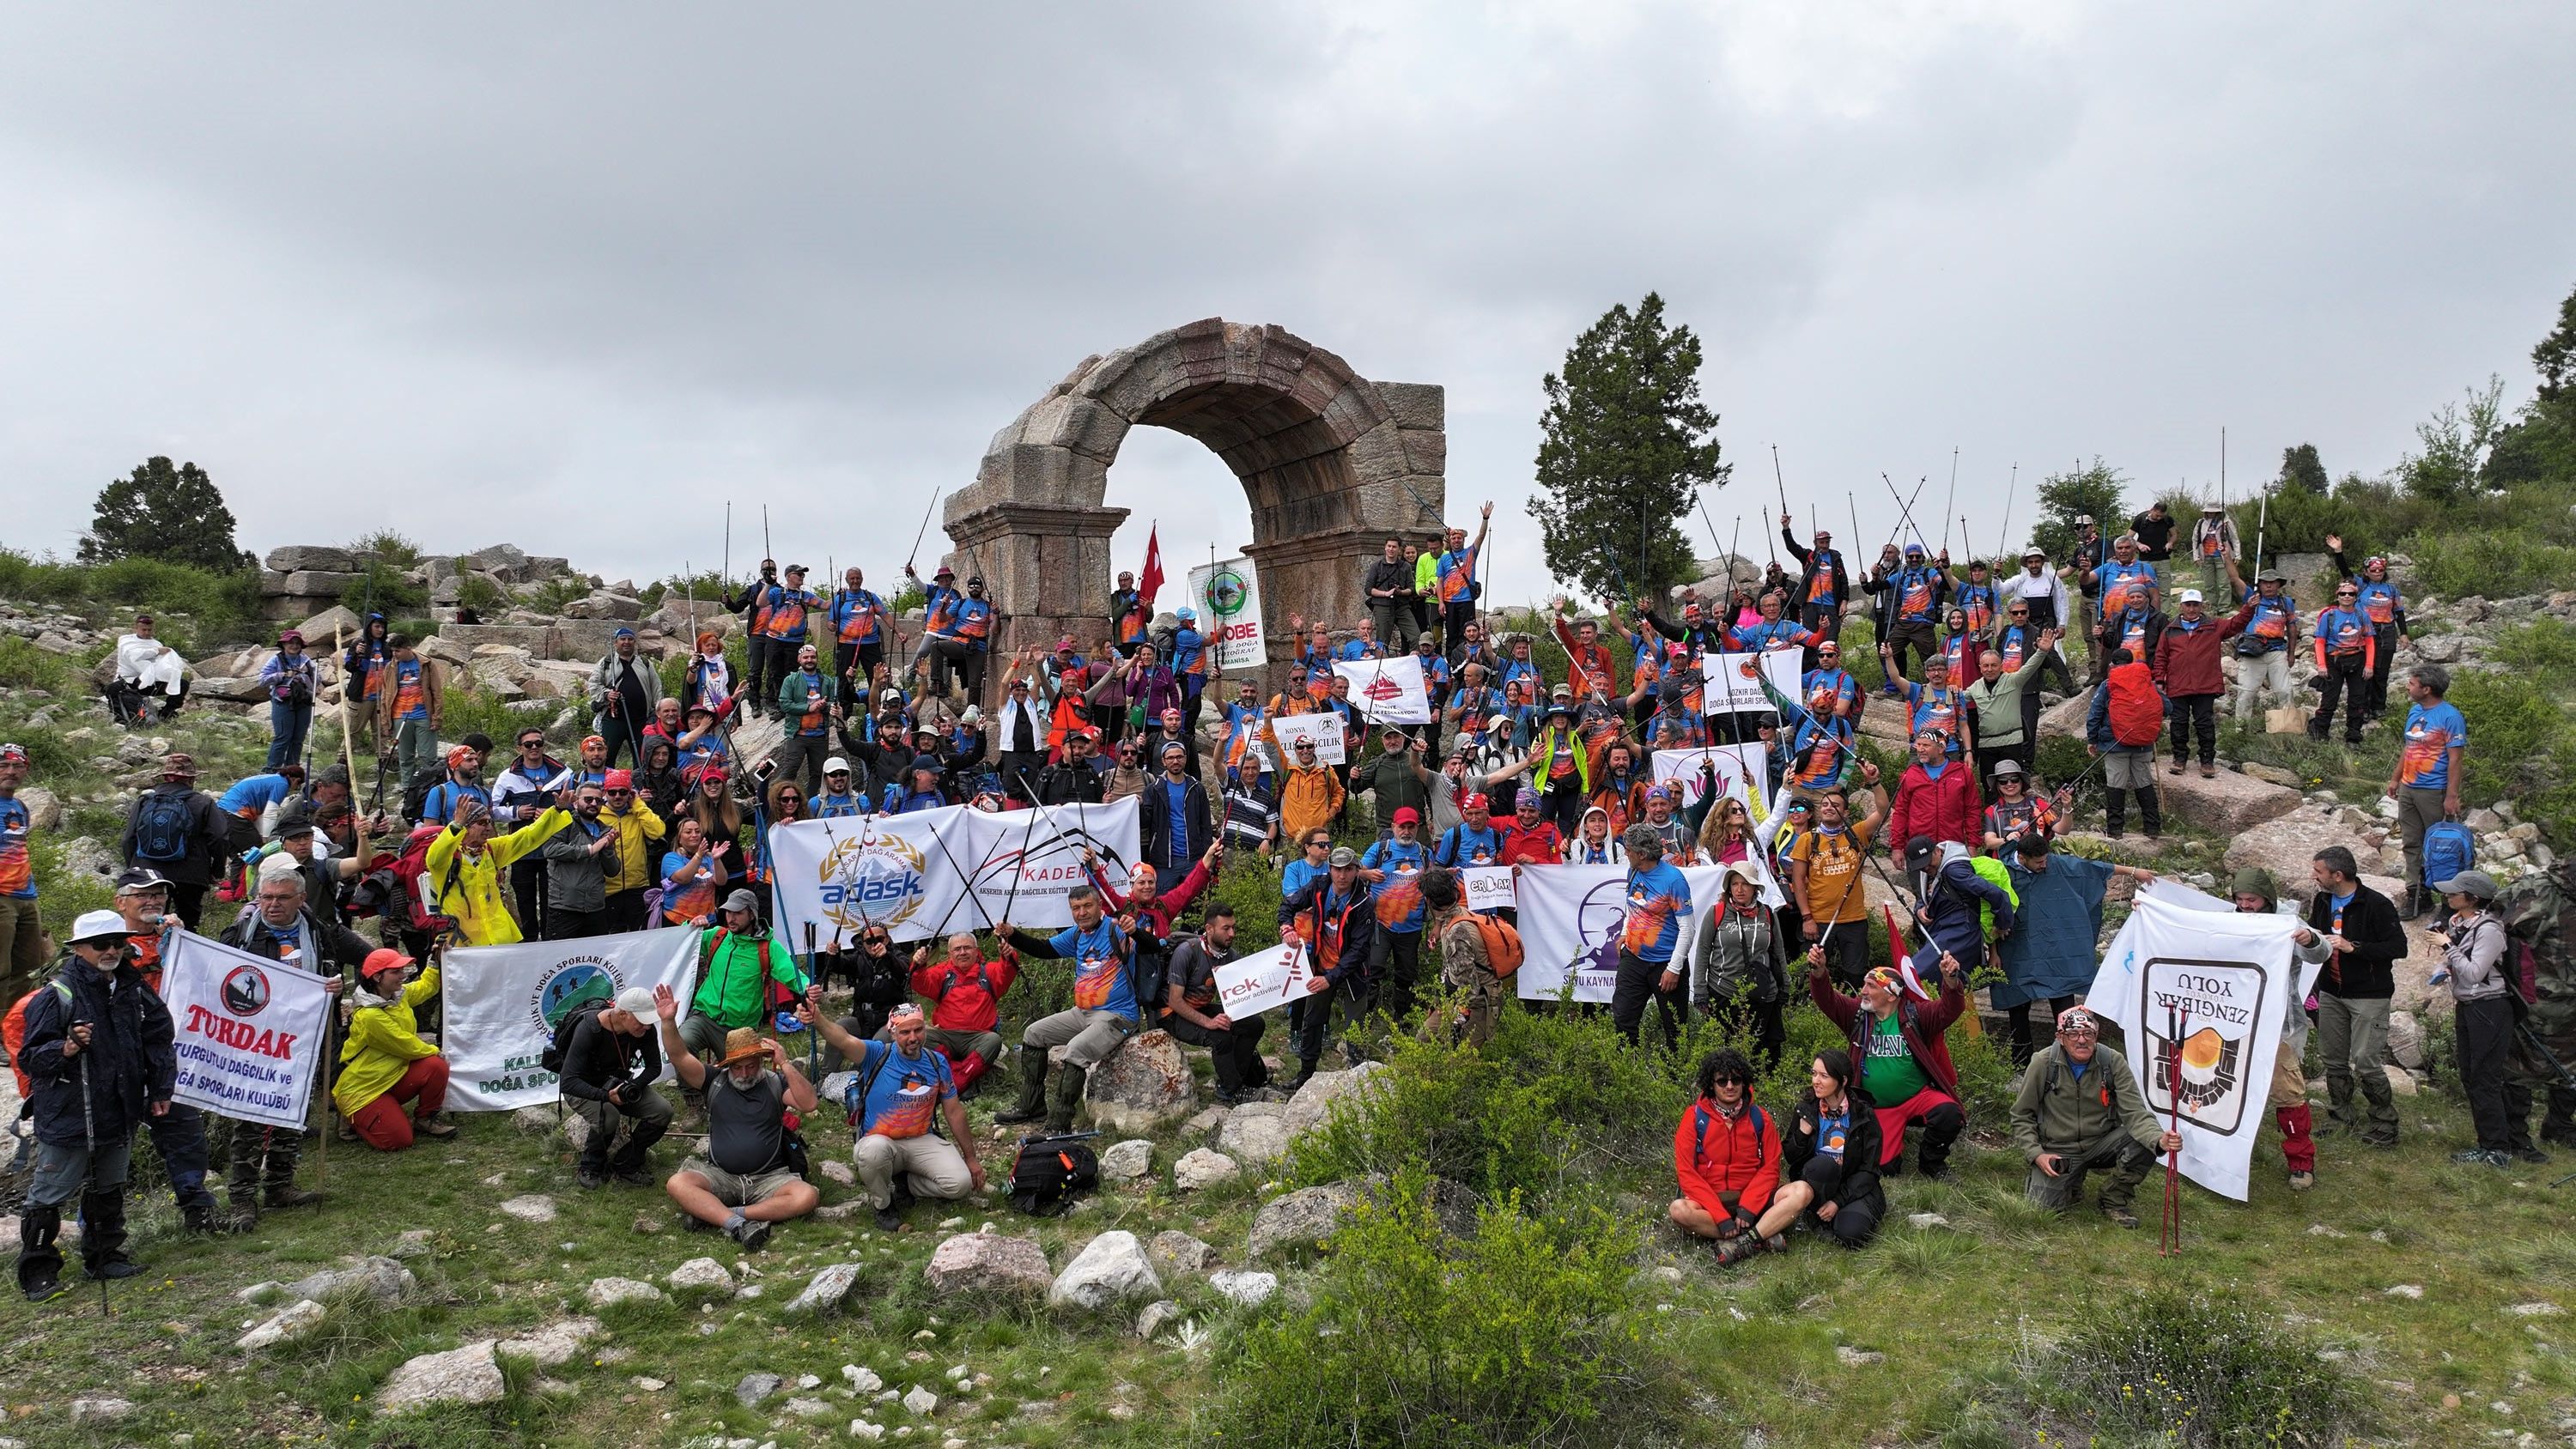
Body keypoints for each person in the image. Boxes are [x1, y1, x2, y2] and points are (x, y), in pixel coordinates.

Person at [11, 910, 174, 1301]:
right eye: (101, 944)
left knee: (109, 1186)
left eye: (118, 943)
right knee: (49, 1194)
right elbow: (31, 1057)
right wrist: (66, 1048)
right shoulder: (57, 994)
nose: (111, 951)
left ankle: (106, 1257)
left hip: (120, 1106)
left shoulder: (133, 987)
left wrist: (160, 1089)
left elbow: (158, 1038)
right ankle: (38, 1271)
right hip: (69, 1109)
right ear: (79, 949)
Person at [654, 987, 819, 1248]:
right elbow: (679, 1055)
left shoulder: (775, 1083)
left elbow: (809, 1103)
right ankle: (737, 1225)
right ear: (728, 1064)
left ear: (761, 1061)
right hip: (720, 1175)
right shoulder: (712, 1081)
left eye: (751, 1066)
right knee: (678, 1183)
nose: (744, 1073)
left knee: (806, 1196)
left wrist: (786, 1064)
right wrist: (667, 1021)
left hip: (769, 1178)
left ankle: (722, 1215)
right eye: (738, 1067)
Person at [2010, 1006, 2183, 1228]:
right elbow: (2021, 1114)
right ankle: (2072, 1181)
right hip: (2059, 1149)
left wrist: (2159, 1140)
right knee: (2041, 1208)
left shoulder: (2112, 1061)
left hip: (2102, 1144)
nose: (2081, 1040)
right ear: (2060, 1037)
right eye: (2073, 1034)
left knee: (2144, 1140)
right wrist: (2036, 1154)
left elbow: (2135, 1112)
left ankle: (2113, 1198)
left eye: (2088, 1033)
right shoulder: (2043, 1063)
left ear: (2096, 1035)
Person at [993, 886, 1145, 1131]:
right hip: (1081, 1013)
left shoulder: (1116, 929)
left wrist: (1135, 931)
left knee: (1076, 1049)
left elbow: (1149, 945)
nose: (1082, 912)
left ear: (1099, 906)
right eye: (1076, 908)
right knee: (1034, 1034)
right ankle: (1032, 1107)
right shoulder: (1077, 934)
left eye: (1087, 906)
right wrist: (1013, 935)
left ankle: (1059, 1123)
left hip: (1117, 1015)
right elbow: (1043, 949)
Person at [1808, 950, 1968, 1179]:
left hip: (1916, 1097)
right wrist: (1819, 972)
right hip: (1878, 1108)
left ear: (1892, 995)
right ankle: (1892, 1146)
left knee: (1949, 1112)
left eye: (1871, 986)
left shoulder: (1916, 1016)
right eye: (1865, 984)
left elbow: (1950, 1009)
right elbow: (1827, 999)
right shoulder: (1857, 1015)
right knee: (1885, 1169)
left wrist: (1951, 981)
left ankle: (1932, 1162)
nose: (1863, 991)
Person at [1997, 836, 2153, 1064]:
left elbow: (2091, 869)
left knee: (2065, 1003)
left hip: (2057, 951)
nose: (2045, 865)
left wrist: (2133, 872)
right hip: (2018, 949)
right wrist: (1994, 944)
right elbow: (1987, 907)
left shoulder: (2056, 864)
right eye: (2039, 862)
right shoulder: (2001, 872)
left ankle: (2071, 1062)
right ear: (2022, 858)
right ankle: (2021, 1063)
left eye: (2046, 859)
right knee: (2018, 1005)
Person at [2231, 867, 2329, 1191]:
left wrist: (2310, 939)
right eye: (2240, 899)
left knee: (2287, 1092)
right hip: (2231, 1021)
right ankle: (2222, 1156)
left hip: (2277, 1026)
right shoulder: (2227, 922)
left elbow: (2322, 951)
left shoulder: (2288, 924)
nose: (2245, 905)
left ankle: (2301, 1162)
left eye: (2252, 899)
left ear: (2267, 898)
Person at [1732, 1048, 1884, 1256]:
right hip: (1819, 1184)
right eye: (1814, 1074)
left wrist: (1837, 1202)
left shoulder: (1863, 1114)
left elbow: (1870, 1169)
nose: (1816, 1081)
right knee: (1823, 1165)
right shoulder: (1806, 1109)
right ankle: (1815, 1214)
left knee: (1852, 1235)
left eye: (1824, 1076)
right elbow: (1790, 1157)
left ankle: (1833, 1215)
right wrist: (1802, 1134)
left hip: (1853, 1188)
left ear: (1843, 1080)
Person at [2422, 869, 2524, 1167]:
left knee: (2484, 1078)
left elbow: (2475, 973)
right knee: (2471, 1076)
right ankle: (2490, 1144)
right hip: (2470, 1007)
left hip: (2489, 1009)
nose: (2448, 896)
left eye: (2454, 892)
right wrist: (2447, 966)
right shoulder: (2464, 924)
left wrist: (2447, 946)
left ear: (2473, 898)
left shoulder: (2489, 929)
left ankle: (2497, 1150)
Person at [2307, 846, 2405, 1148]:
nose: (2314, 876)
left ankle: (2384, 1123)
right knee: (2333, 1057)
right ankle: (2341, 1116)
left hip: (2369, 995)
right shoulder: (2323, 900)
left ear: (2338, 875)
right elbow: (2317, 936)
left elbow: (2398, 947)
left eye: (2318, 871)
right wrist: (2309, 939)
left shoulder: (2376, 904)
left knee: (2366, 1060)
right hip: (2331, 991)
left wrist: (2354, 948)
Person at [1278, 846, 1380, 1083]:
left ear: (1357, 871)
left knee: (1355, 1028)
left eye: (1348, 870)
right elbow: (1288, 905)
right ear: (1330, 869)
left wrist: (1330, 979)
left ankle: (1358, 1079)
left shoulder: (1364, 903)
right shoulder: (1318, 886)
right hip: (1322, 966)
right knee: (1312, 1021)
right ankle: (1306, 1075)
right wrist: (1287, 927)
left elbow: (1359, 951)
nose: (1342, 875)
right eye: (1337, 869)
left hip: (1352, 973)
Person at [333, 949, 453, 1151]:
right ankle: (352, 1117)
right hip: (364, 1089)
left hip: (390, 1076)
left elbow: (426, 987)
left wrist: (434, 962)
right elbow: (405, 1044)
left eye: (402, 970)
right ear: (377, 977)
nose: (403, 975)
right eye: (396, 972)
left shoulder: (397, 995)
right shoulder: (370, 1016)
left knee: (436, 1065)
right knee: (399, 1141)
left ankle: (425, 1119)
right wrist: (435, 1049)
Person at [1668, 1046, 1782, 1258]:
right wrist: (1720, 1216)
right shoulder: (1694, 1118)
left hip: (1751, 1199)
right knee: (1678, 1210)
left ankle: (1738, 1239)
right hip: (1710, 1201)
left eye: (1736, 1080)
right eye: (1722, 1081)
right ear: (1712, 1084)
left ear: (1744, 1082)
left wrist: (1748, 1207)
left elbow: (1771, 1168)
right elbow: (1687, 1173)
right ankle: (1758, 1235)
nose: (1730, 1086)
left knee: (1801, 1192)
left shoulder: (1760, 1118)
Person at [555, 985, 671, 1188]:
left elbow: (654, 1067)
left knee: (662, 1111)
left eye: (649, 1021)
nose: (646, 1027)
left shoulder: (644, 1030)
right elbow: (568, 1081)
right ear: (623, 1014)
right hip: (582, 1087)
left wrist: (631, 1087)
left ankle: (627, 1162)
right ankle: (591, 1167)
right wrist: (606, 1096)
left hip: (616, 1084)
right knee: (609, 1116)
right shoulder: (589, 1029)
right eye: (641, 1021)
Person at [680, 888, 810, 1064]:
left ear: (752, 914)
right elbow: (682, 942)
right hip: (704, 1017)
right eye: (728, 912)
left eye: (738, 913)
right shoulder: (717, 936)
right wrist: (690, 926)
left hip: (739, 1029)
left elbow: (792, 974)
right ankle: (695, 1084)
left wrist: (807, 988)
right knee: (680, 1043)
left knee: (741, 1074)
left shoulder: (767, 947)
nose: (731, 918)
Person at [426, 794, 573, 947]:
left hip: (499, 940)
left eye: (490, 822)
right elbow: (434, 858)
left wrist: (557, 809)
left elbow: (528, 836)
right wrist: (456, 826)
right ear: (466, 827)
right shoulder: (449, 857)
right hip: (462, 943)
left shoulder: (490, 849)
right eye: (482, 823)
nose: (489, 828)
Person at [1163, 904, 1273, 1097]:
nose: (1232, 934)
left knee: (1254, 1024)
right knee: (1220, 1037)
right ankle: (1231, 1090)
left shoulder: (1230, 955)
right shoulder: (1187, 952)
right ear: (1209, 929)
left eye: (1233, 927)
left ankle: (1237, 1078)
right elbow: (1175, 1000)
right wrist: (1209, 1022)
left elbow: (1249, 986)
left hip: (1201, 1007)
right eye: (1226, 928)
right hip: (1172, 1014)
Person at [2387, 664, 2467, 920]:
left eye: (2412, 683)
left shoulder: (2450, 717)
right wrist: (2396, 778)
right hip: (2409, 787)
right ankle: (2417, 895)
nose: (2408, 687)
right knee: (2411, 842)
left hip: (2434, 790)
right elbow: (2409, 747)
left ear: (2427, 689)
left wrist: (2451, 796)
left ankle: (2449, 901)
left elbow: (2456, 759)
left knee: (2441, 847)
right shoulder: (2415, 711)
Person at [119, 753, 228, 931]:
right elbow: (220, 838)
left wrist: (135, 870)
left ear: (165, 777)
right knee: (188, 925)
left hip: (149, 876)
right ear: (191, 779)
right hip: (191, 875)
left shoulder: (145, 802)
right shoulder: (203, 802)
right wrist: (217, 871)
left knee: (149, 924)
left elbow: (128, 839)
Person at [902, 932, 1017, 1098]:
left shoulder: (989, 972)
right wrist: (918, 965)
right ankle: (964, 1075)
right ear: (950, 953)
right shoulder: (942, 973)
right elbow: (921, 983)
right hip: (947, 1036)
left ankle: (956, 1082)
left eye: (967, 948)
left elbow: (1008, 970)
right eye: (957, 949)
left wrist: (1008, 955)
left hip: (979, 1037)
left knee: (994, 1041)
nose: (962, 952)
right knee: (919, 1037)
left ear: (976, 951)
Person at [1613, 824, 1694, 1050]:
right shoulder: (1633, 871)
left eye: (1629, 849)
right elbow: (1633, 903)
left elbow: (1688, 928)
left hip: (1665, 963)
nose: (1625, 853)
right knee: (1623, 1019)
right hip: (1634, 959)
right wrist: (1625, 932)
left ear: (1642, 854)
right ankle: (1627, 1065)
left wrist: (1674, 968)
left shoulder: (1674, 880)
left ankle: (1675, 1070)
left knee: (1675, 1029)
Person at [1696, 862, 1784, 1066]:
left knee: (1765, 1056)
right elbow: (1703, 952)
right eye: (1735, 884)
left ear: (1755, 888)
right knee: (1725, 1057)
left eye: (1745, 884)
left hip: (1763, 994)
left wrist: (1785, 986)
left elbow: (1779, 951)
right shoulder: (1717, 912)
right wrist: (1700, 991)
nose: (1739, 889)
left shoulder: (1767, 914)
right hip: (1724, 993)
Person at [2326, 535, 2409, 724]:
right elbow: (2346, 572)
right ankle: (2362, 708)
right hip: (2365, 632)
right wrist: (2338, 551)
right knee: (2365, 670)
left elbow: (2399, 611)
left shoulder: (2391, 589)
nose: (2377, 572)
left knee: (2382, 672)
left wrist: (2404, 633)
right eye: (2373, 570)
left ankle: (2378, 707)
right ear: (2366, 572)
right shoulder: (2361, 585)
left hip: (2387, 631)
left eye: (2381, 569)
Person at [2087, 647, 2166, 839]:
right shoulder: (2146, 682)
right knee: (2144, 783)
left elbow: (2095, 713)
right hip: (2143, 744)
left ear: (2112, 665)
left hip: (2115, 744)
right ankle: (2153, 828)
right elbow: (2167, 707)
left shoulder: (2108, 685)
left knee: (2116, 786)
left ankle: (2115, 830)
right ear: (2132, 662)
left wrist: (2092, 740)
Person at [1965, 633, 2057, 788]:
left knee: (2013, 783)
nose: (1989, 669)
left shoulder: (2013, 681)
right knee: (1990, 786)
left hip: (2011, 742)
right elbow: (1957, 699)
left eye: (1994, 665)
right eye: (1985, 666)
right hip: (1986, 745)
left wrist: (2042, 651)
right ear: (1980, 668)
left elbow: (2029, 668)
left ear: (2001, 666)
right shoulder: (1975, 687)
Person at [0, 743, 44, 1012]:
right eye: (3, 766)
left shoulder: (20, 806)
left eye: (17, 766)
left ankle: (14, 1027)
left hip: (27, 896)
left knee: (28, 970)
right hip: (1, 897)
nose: (11, 771)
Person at [1890, 729, 1981, 854]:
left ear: (1941, 748)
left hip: (1952, 846)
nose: (1920, 749)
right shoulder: (1910, 774)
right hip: (1919, 848)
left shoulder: (1963, 773)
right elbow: (1901, 811)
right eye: (1918, 745)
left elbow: (1972, 810)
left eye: (1926, 745)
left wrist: (1973, 845)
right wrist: (1897, 847)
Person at [2309, 579, 2376, 745]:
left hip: (2357, 659)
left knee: (2357, 700)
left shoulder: (2362, 615)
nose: (2347, 596)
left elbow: (2369, 641)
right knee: (2330, 699)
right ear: (2337, 596)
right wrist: (2322, 665)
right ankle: (2319, 732)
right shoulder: (2328, 616)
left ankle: (2353, 736)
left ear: (2355, 597)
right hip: (2334, 660)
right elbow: (2319, 641)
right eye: (2343, 593)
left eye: (2351, 594)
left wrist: (2369, 665)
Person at [375, 634, 446, 787]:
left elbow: (437, 692)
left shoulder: (426, 664)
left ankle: (429, 788)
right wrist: (385, 722)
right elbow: (385, 695)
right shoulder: (390, 667)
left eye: (398, 651)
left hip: (423, 716)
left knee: (428, 757)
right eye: (393, 651)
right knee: (405, 757)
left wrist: (437, 717)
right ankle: (407, 789)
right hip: (400, 716)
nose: (394, 654)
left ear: (409, 649)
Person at [2231, 568, 2300, 721]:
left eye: (2272, 582)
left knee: (2285, 691)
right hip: (2252, 652)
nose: (2268, 586)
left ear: (2279, 584)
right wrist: (2226, 557)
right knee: (2247, 693)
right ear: (2260, 585)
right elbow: (2235, 579)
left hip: (2277, 651)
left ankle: (2288, 727)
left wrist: (2291, 654)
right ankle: (2241, 729)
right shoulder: (2252, 598)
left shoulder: (2286, 602)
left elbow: (2292, 627)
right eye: (2265, 583)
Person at [1139, 740, 1212, 880]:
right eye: (1170, 758)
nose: (1175, 761)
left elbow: (1206, 826)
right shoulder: (1153, 789)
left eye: (1179, 757)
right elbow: (1144, 823)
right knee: (1164, 895)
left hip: (1194, 858)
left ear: (1185, 759)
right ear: (1163, 761)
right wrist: (1140, 807)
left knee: (1196, 894)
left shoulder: (1197, 788)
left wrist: (1207, 856)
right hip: (1164, 860)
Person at [110, 613, 189, 724]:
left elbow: (160, 663)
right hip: (129, 681)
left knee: (182, 684)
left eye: (149, 630)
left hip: (150, 681)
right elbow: (134, 656)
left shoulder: (156, 643)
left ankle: (166, 714)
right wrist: (156, 651)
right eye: (144, 630)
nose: (147, 633)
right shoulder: (126, 641)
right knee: (118, 690)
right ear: (136, 629)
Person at [1364, 536, 1422, 652]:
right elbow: (1368, 589)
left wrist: (1400, 592)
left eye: (1394, 547)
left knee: (1416, 637)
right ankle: (1382, 661)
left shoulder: (1405, 566)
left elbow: (1411, 589)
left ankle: (1413, 659)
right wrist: (1385, 593)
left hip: (1401, 606)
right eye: (1389, 546)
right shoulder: (1376, 566)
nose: (1391, 549)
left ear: (1399, 549)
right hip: (1382, 606)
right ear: (1385, 547)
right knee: (1382, 642)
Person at [2190, 502, 2240, 601]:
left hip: (2222, 557)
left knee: (2224, 584)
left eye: (2213, 512)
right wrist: (2196, 556)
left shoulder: (2226, 522)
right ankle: (2212, 604)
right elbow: (2195, 540)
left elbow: (2235, 539)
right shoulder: (2200, 523)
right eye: (2209, 511)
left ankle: (2224, 606)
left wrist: (2238, 555)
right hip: (2206, 557)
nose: (2210, 513)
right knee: (2209, 584)